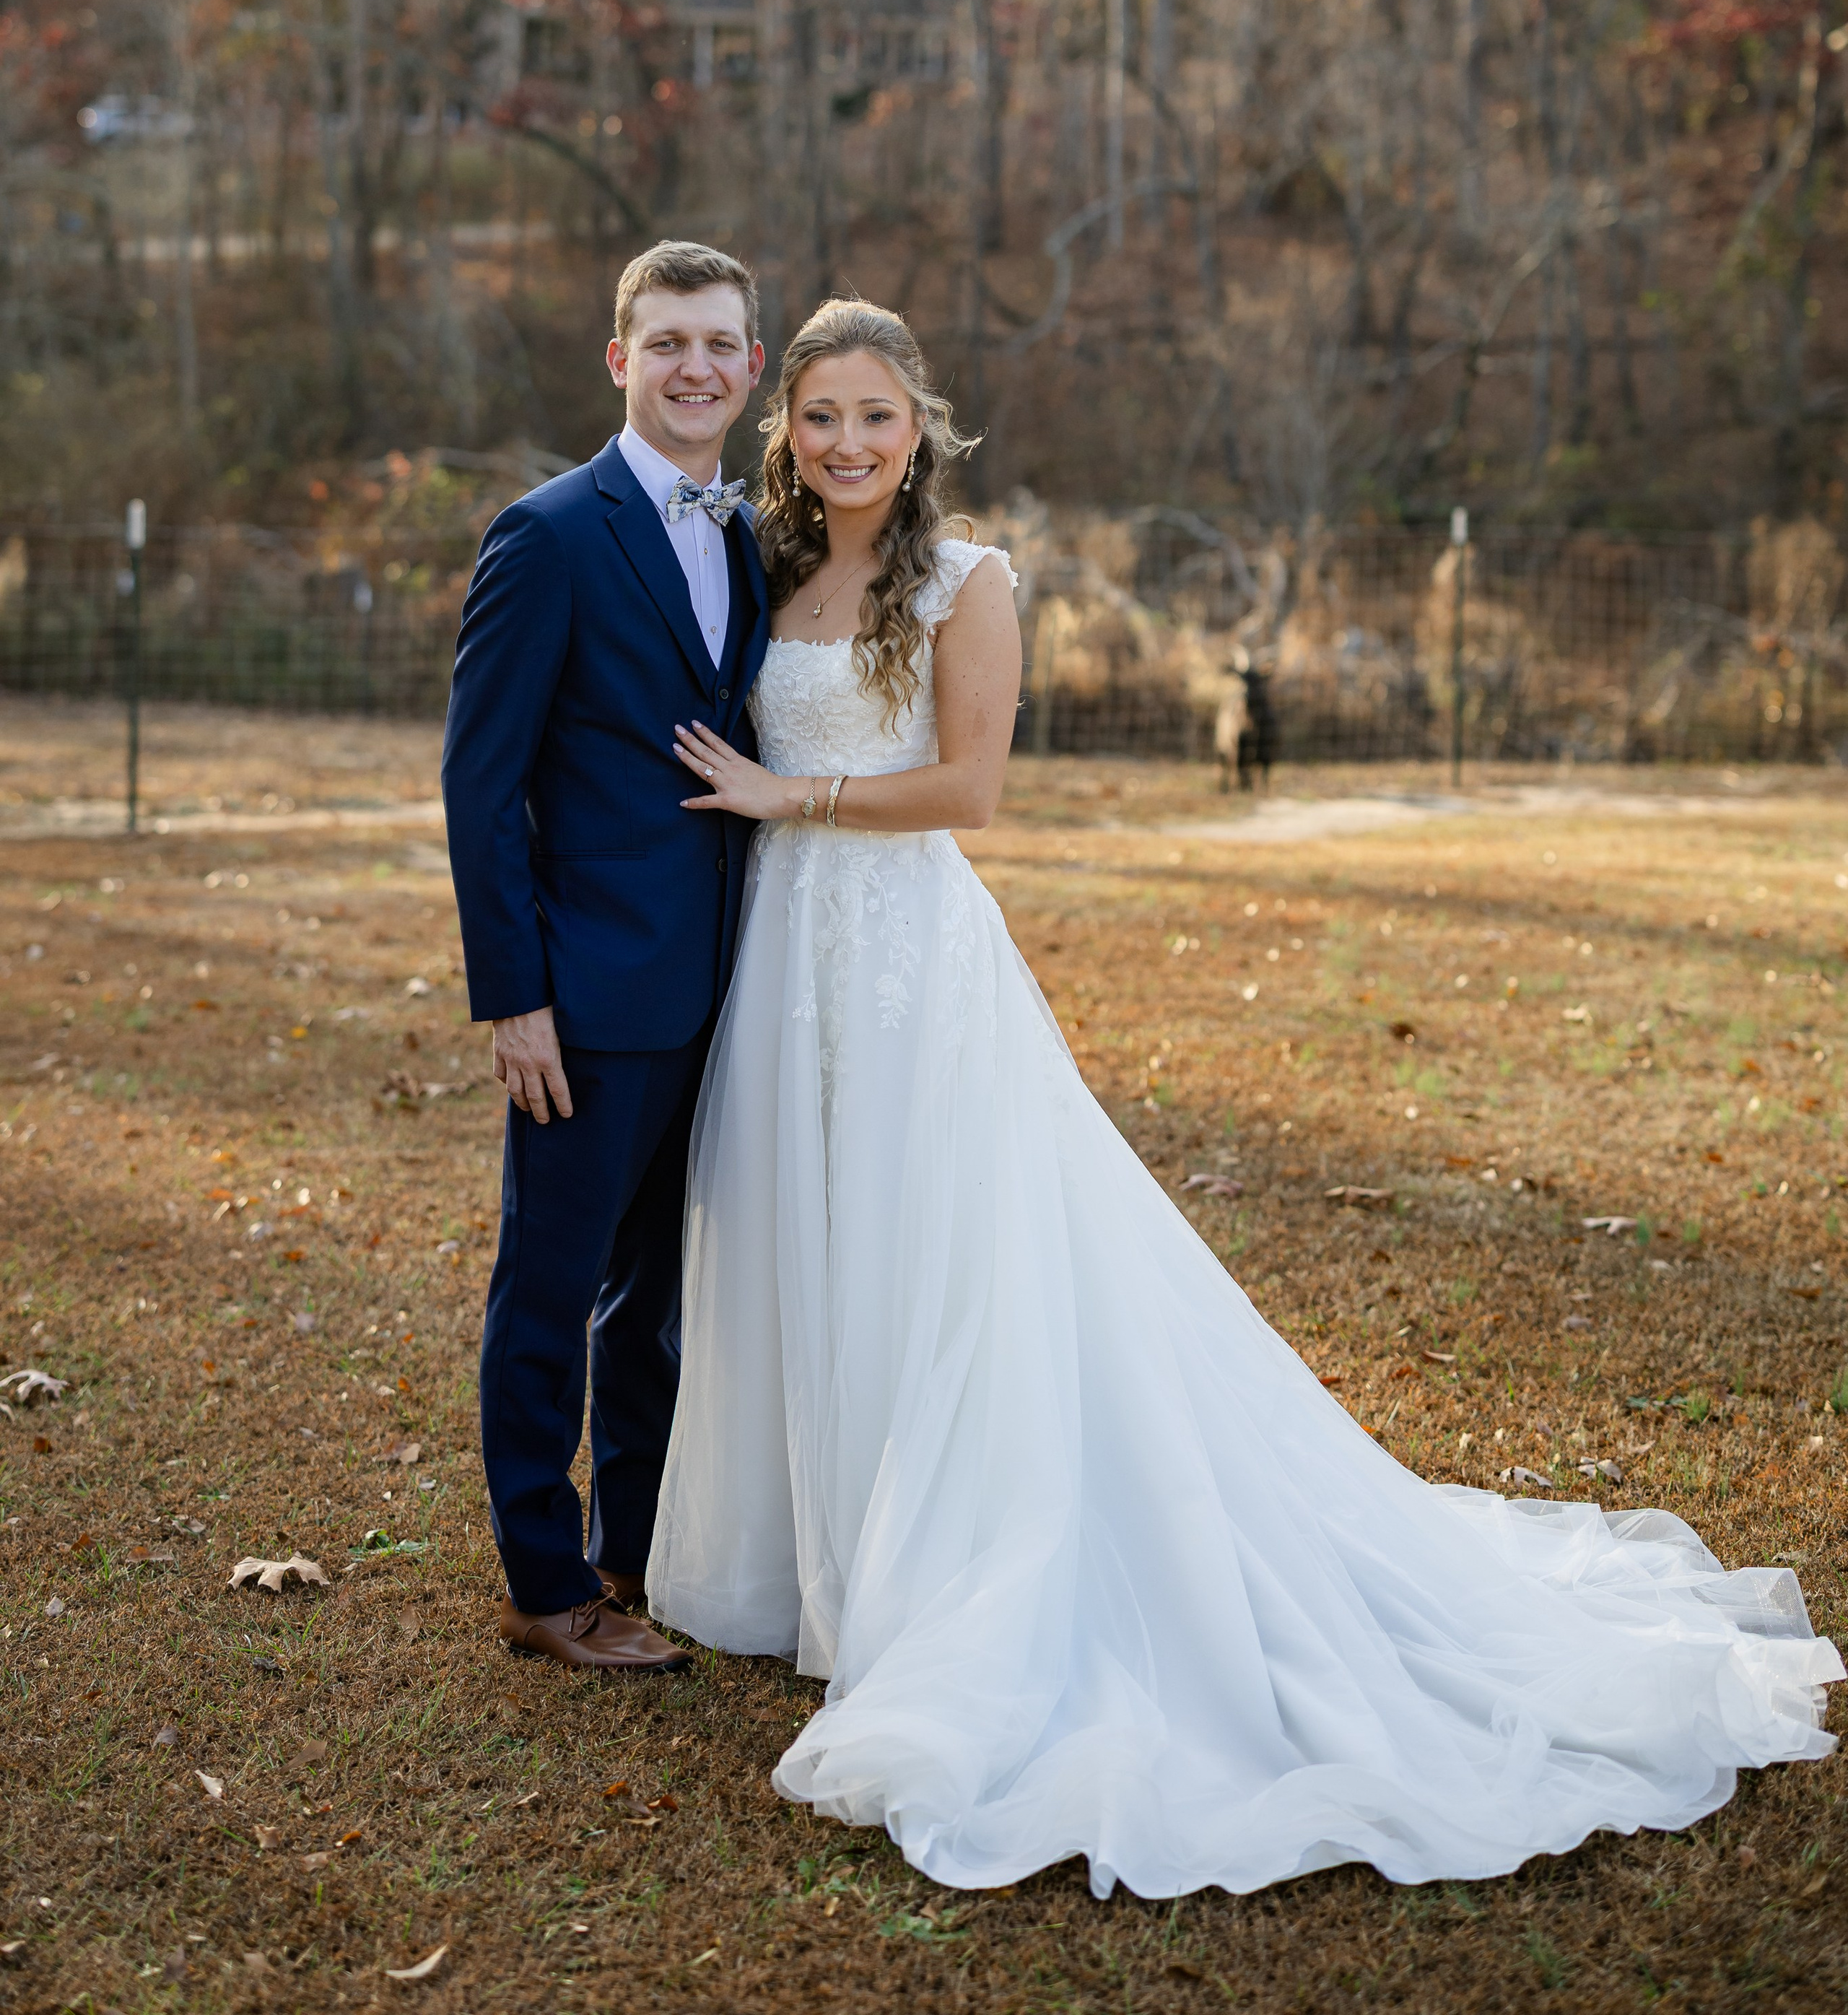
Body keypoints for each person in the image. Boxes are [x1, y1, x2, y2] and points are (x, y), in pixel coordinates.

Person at [647, 294, 1841, 1899]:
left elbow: (975, 789)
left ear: (916, 424)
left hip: (910, 961)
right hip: (784, 955)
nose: (845, 442)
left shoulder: (964, 579)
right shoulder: (768, 567)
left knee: (938, 1262)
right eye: (818, 417)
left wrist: (792, 791)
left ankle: (932, 1584)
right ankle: (811, 1562)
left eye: (874, 414)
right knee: (812, 1237)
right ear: (786, 429)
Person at [442, 239, 768, 1674]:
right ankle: (542, 1578)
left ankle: (639, 1550)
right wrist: (515, 994)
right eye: (667, 340)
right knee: (551, 1284)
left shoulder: (754, 532)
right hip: (583, 991)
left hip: (724, 980)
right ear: (619, 358)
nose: (694, 366)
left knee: (660, 1296)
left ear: (752, 368)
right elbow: (479, 784)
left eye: (719, 343)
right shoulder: (549, 533)